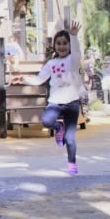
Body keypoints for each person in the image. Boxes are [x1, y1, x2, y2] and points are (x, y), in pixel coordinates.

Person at [12, 21, 84, 175]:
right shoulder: (51, 63)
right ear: (55, 46)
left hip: (72, 103)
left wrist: (74, 36)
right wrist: (23, 78)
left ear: (69, 45)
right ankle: (59, 128)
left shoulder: (73, 60)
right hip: (55, 102)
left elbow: (77, 51)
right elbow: (39, 80)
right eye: (58, 43)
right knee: (47, 121)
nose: (62, 46)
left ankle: (72, 163)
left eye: (65, 43)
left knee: (70, 138)